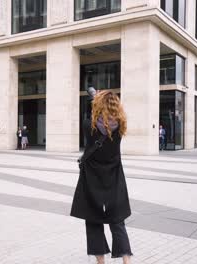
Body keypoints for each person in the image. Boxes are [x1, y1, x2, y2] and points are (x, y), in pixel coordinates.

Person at [71, 91, 132, 264]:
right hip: (114, 176)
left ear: (97, 104)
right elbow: (109, 124)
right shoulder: (121, 125)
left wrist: (94, 100)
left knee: (93, 220)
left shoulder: (87, 125)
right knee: (117, 220)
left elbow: (92, 119)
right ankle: (127, 260)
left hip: (92, 178)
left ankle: (101, 262)